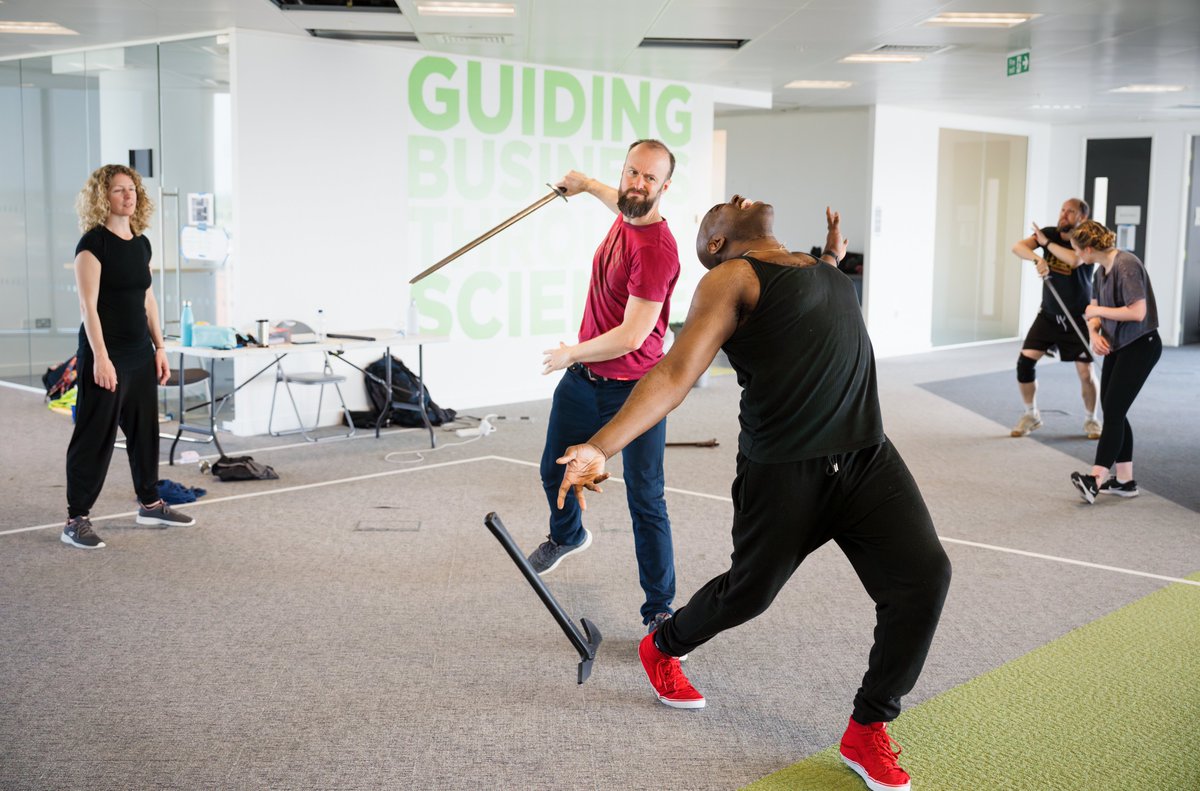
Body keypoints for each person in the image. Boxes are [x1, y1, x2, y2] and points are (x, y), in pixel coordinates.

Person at [554, 198, 951, 791]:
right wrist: (600, 447)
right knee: (749, 594)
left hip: (867, 455)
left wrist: (828, 259)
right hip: (784, 471)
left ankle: (868, 726)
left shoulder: (818, 267)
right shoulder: (731, 278)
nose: (739, 198)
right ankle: (663, 645)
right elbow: (672, 374)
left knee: (925, 576)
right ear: (717, 244)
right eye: (725, 209)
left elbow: (813, 301)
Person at [528, 139, 682, 632]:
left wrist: (571, 350)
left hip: (636, 392)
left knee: (646, 498)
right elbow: (619, 201)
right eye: (631, 173)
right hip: (584, 383)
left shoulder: (657, 250)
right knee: (554, 471)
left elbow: (632, 336)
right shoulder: (628, 211)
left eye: (649, 178)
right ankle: (568, 536)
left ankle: (660, 607)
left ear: (665, 187)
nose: (637, 184)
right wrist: (586, 183)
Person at [62, 164, 195, 549]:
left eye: (132, 189)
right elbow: (88, 307)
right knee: (95, 437)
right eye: (118, 190)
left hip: (139, 354)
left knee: (144, 434)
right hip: (106, 354)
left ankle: (150, 503)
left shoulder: (140, 243)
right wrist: (101, 358)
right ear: (102, 197)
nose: (128, 195)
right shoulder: (92, 245)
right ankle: (76, 518)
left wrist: (160, 348)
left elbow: (147, 298)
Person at [1068, 220, 1161, 503]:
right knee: (1113, 409)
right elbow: (1093, 314)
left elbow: (1137, 312)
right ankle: (1124, 481)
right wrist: (1093, 332)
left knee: (1115, 409)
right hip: (1116, 346)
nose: (1077, 258)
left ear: (1088, 248)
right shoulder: (1099, 272)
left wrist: (1096, 310)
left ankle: (1095, 479)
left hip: (1141, 346)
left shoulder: (1126, 264)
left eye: (1077, 251)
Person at [1010, 198, 1101, 439]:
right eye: (1062, 210)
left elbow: (1074, 260)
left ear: (1082, 217)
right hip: (1049, 315)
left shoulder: (1084, 239)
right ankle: (1031, 414)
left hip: (1077, 318)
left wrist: (1045, 244)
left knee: (1085, 373)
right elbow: (1018, 247)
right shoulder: (1050, 232)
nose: (1064, 215)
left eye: (1070, 212)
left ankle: (1092, 419)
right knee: (1024, 363)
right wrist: (1037, 258)